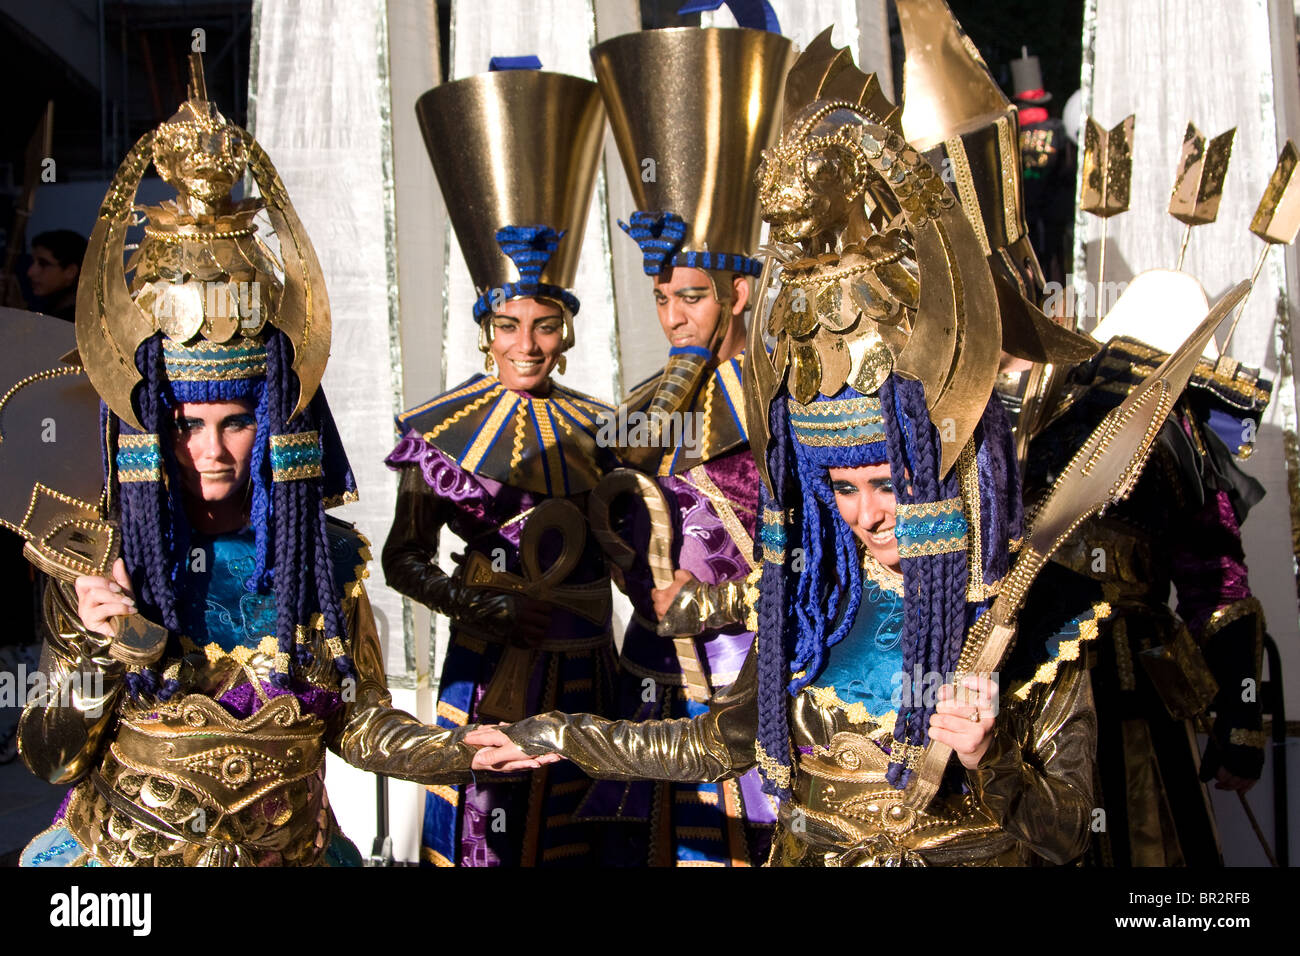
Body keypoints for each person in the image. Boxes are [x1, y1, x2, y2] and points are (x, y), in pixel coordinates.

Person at [468, 35, 1108, 867]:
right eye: (841, 488)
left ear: (941, 464)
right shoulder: (819, 596)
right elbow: (712, 746)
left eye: (886, 483)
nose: (867, 515)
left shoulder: (1036, 609)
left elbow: (1068, 834)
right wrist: (560, 733)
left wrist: (993, 761)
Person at [17, 56, 480, 868]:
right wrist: (97, 650)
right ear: (145, 428)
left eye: (238, 424)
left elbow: (355, 723)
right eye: (188, 425)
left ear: (276, 426)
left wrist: (467, 750)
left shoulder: (322, 559)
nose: (212, 453)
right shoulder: (93, 558)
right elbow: (53, 759)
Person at [381, 62, 619, 868]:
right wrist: (478, 607)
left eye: (544, 325)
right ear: (486, 326)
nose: (526, 345)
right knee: (486, 831)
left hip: (593, 668)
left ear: (567, 330)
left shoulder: (603, 427)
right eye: (509, 324)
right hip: (487, 667)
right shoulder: (438, 429)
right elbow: (401, 557)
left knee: (586, 835)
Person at [575, 20, 790, 867]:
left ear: (740, 291)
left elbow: (823, 558)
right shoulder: (642, 410)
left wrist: (718, 606)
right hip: (658, 687)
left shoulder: (786, 404)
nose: (673, 318)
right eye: (663, 297)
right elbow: (612, 491)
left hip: (758, 677)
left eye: (693, 296)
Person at [1025, 279, 1272, 866]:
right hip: (1120, 673)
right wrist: (1240, 727)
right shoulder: (1174, 419)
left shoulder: (1046, 398)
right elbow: (1216, 582)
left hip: (1029, 666)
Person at [25, 229, 87, 322]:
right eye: (33, 262)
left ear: (70, 271)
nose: (30, 272)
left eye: (43, 264)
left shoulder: (76, 321)